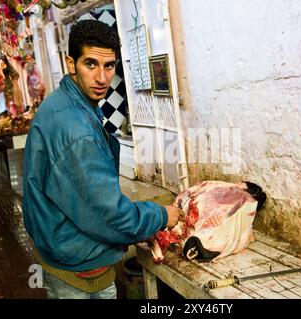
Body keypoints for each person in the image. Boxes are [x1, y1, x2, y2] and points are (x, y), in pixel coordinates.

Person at [22, 20, 182, 299]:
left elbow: (87, 194)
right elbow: (109, 216)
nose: (102, 78)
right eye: (91, 64)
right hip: (76, 266)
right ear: (71, 63)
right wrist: (161, 215)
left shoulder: (67, 105)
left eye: (109, 66)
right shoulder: (75, 128)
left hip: (63, 248)